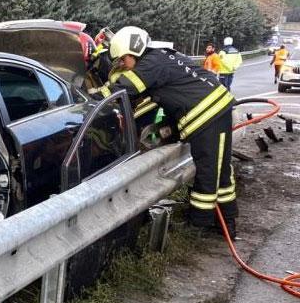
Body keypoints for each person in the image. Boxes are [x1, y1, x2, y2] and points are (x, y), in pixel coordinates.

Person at [92, 26, 238, 238]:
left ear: (133, 51)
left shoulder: (150, 64)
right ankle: (226, 223)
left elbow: (125, 87)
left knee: (209, 171)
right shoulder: (161, 57)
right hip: (216, 111)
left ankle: (200, 223)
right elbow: (153, 103)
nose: (123, 64)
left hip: (208, 116)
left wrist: (92, 99)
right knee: (220, 171)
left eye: (123, 59)